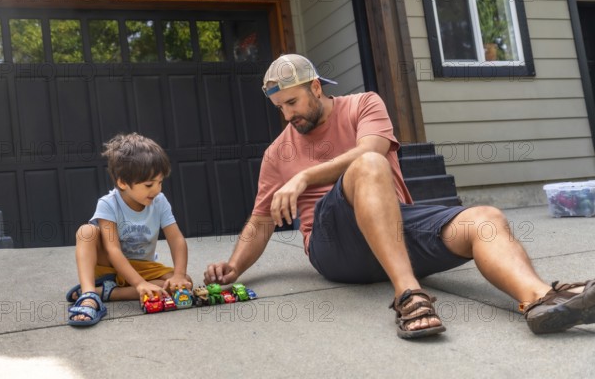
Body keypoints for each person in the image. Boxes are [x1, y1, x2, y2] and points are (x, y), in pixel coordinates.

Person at [204, 54, 595, 339]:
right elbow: (261, 221)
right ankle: (409, 295)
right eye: (279, 107)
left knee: (485, 218)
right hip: (336, 247)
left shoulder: (364, 105)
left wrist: (304, 175)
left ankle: (541, 300)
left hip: (393, 230)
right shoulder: (278, 153)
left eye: (292, 103)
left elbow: (370, 148)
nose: (287, 115)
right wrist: (235, 267)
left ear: (316, 88)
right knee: (369, 166)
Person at [66, 133, 192, 326]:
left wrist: (179, 275)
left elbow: (176, 240)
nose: (157, 190)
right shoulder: (108, 204)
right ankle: (90, 294)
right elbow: (113, 250)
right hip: (109, 265)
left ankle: (108, 292)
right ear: (123, 182)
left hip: (142, 266)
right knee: (86, 232)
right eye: (149, 184)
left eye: (160, 182)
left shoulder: (159, 201)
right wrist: (140, 284)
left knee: (181, 284)